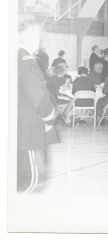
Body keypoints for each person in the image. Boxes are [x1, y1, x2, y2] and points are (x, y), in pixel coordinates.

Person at [17, 16, 59, 193]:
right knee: (33, 181)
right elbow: (41, 101)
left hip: (16, 132)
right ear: (32, 36)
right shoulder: (27, 63)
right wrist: (51, 116)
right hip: (29, 134)